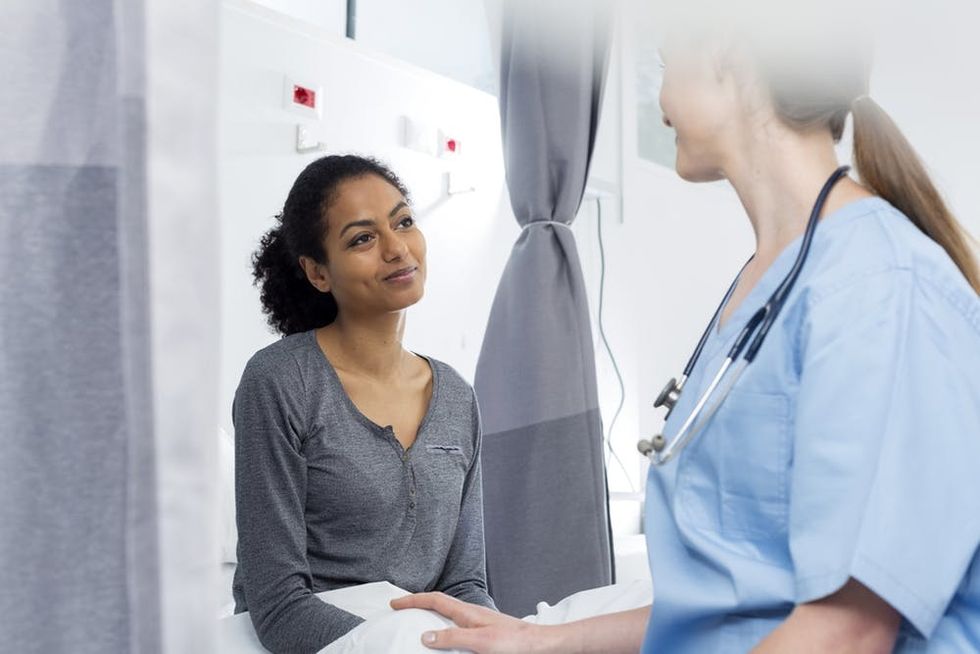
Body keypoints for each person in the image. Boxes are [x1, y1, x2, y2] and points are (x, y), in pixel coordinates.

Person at [391, 4, 980, 652]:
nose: (660, 93)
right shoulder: (767, 279)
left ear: (727, 50)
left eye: (663, 59)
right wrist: (541, 639)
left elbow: (847, 633)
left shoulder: (880, 286)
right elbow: (727, 605)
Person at [232, 155, 495, 653]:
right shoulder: (280, 381)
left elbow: (465, 585)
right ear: (317, 273)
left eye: (404, 222)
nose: (398, 249)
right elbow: (278, 603)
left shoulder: (457, 396)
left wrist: (502, 640)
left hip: (421, 640)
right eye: (363, 239)